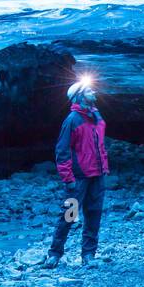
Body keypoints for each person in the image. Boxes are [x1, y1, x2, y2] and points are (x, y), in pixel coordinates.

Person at [44, 77, 108, 268]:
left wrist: (104, 168)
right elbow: (62, 150)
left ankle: (89, 255)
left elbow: (100, 144)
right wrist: (68, 178)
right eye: (89, 91)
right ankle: (55, 253)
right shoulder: (72, 120)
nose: (94, 93)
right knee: (69, 216)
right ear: (80, 96)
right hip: (78, 179)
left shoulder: (96, 117)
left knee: (94, 214)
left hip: (97, 176)